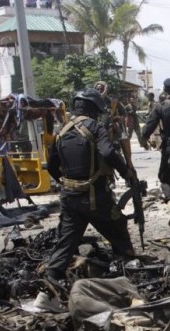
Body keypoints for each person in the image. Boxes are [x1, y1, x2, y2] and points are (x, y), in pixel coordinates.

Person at [45, 88, 136, 303]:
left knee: (66, 241)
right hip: (95, 197)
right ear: (95, 109)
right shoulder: (96, 127)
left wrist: (69, 183)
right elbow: (107, 152)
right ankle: (128, 274)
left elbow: (51, 166)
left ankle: (50, 284)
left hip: (69, 197)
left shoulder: (62, 131)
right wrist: (126, 172)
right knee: (118, 228)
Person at [141, 77, 170, 228]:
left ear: (164, 89)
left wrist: (144, 137)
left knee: (165, 179)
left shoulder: (159, 107)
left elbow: (147, 129)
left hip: (169, 147)